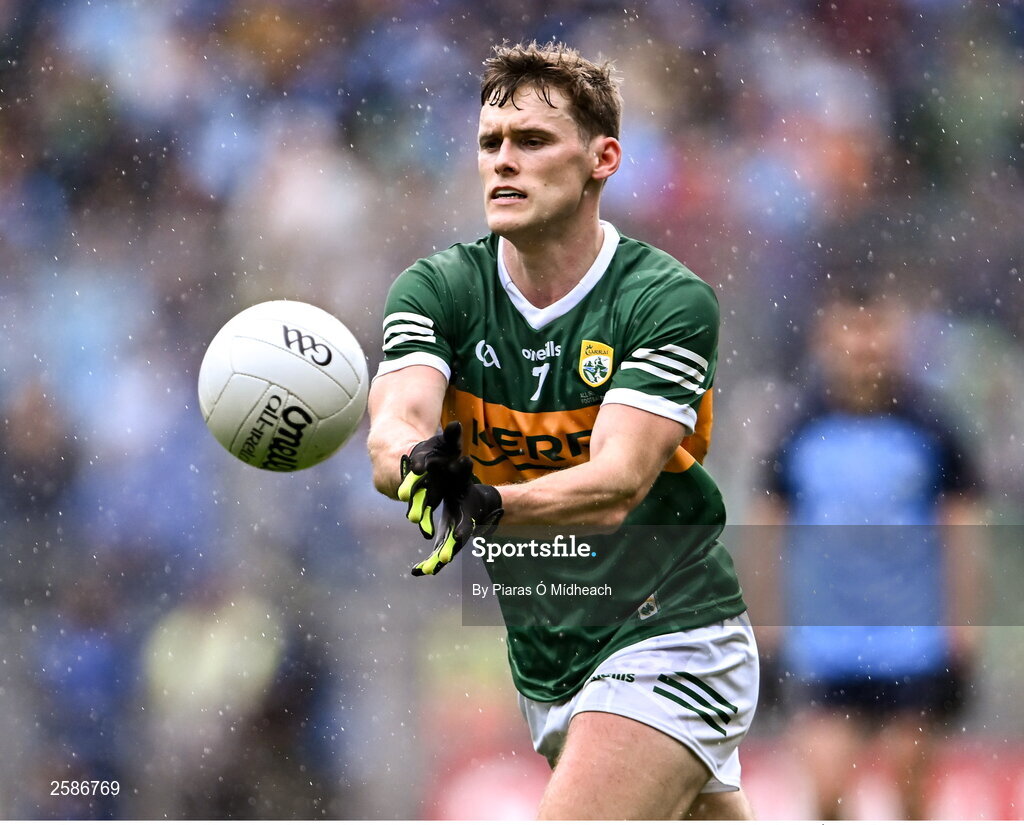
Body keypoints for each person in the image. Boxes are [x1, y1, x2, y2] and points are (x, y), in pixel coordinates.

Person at [367, 41, 758, 819]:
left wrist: (489, 503)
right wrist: (417, 460)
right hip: (548, 660)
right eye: (490, 144)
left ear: (602, 159)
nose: (503, 162)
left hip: (669, 630)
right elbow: (395, 427)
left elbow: (616, 483)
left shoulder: (665, 301)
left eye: (532, 142)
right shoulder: (440, 287)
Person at [749, 290, 983, 819]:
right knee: (828, 792)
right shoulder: (795, 430)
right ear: (825, 341)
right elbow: (767, 534)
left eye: (877, 333)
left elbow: (962, 534)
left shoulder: (934, 428)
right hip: (825, 646)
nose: (865, 347)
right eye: (852, 333)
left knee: (910, 787)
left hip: (914, 644)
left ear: (898, 340)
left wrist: (964, 633)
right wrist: (766, 632)